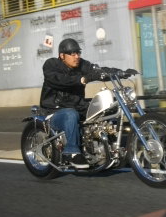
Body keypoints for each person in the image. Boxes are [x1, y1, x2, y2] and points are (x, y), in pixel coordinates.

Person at [40, 38, 136, 167]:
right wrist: (82, 79)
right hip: (54, 110)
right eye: (72, 54)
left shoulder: (82, 65)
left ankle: (112, 147)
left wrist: (120, 72)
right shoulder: (51, 65)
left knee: (108, 109)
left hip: (78, 107)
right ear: (62, 55)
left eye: (78, 53)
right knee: (70, 114)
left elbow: (98, 70)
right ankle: (72, 152)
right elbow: (59, 79)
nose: (76, 56)